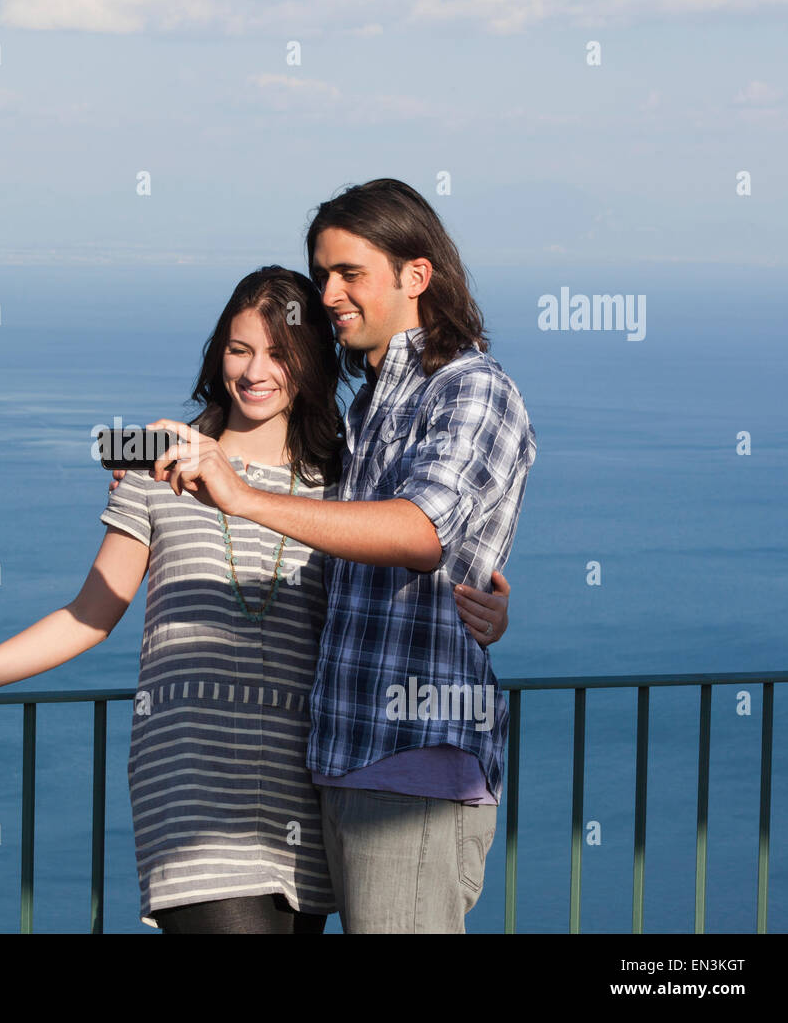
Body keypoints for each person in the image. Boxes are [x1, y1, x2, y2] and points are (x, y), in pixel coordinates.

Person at [0, 265, 510, 933]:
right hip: (194, 796)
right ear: (217, 356)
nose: (257, 371)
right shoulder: (158, 470)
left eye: (281, 353)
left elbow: (402, 584)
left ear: (312, 363)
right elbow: (88, 616)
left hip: (308, 800)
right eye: (240, 350)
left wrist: (484, 615)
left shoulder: (344, 486)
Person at [144, 179, 537, 933]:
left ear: (415, 276)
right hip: (345, 758)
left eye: (349, 273)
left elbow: (422, 532)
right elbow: (376, 554)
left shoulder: (472, 389)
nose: (327, 294)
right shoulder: (370, 405)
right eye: (322, 274)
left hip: (413, 759)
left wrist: (244, 499)